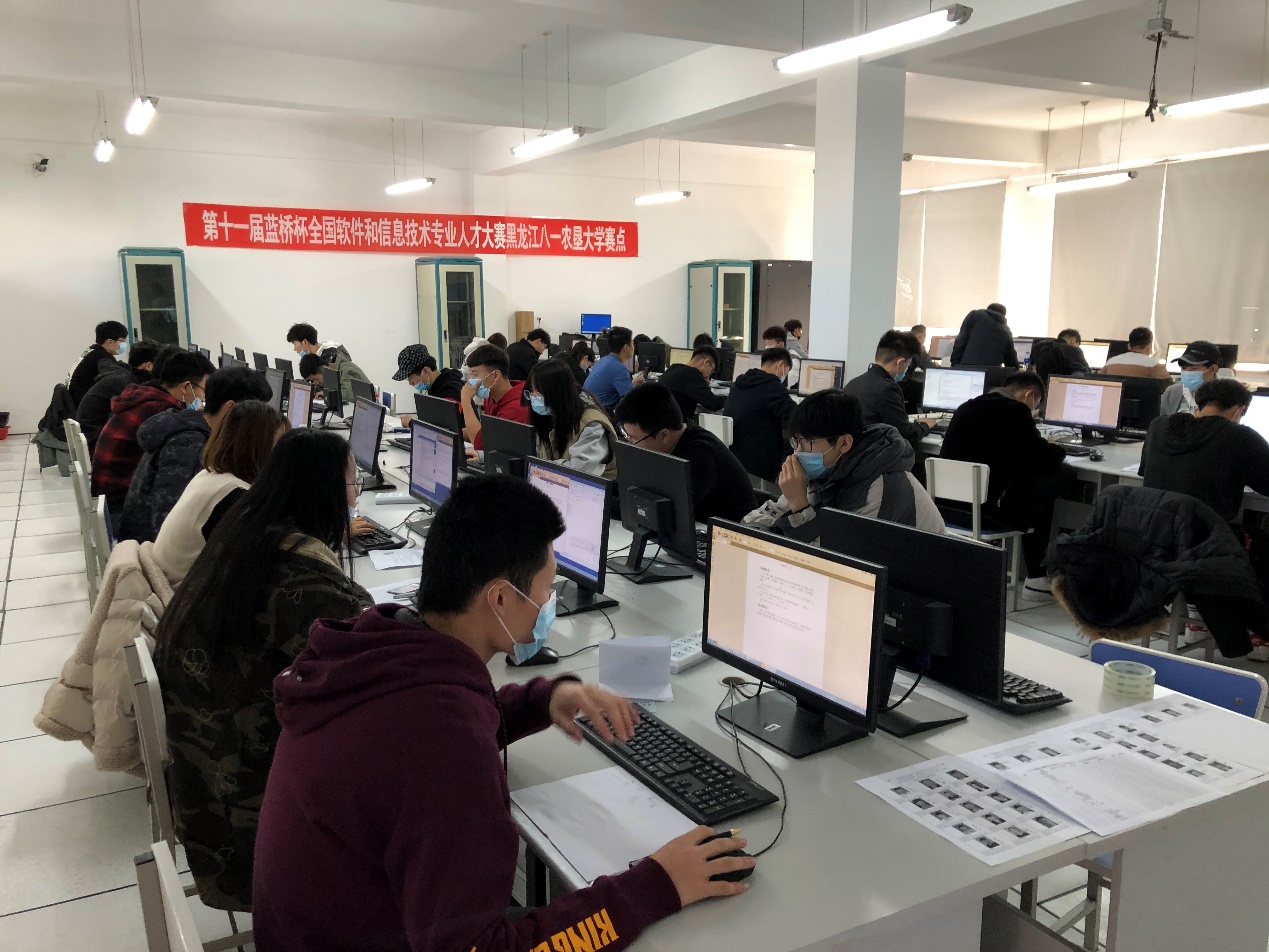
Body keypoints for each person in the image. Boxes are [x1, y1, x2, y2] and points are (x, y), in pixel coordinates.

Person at [252, 475, 751, 950]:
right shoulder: (440, 740)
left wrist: (543, 698)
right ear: (499, 598)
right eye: (545, 589)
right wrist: (656, 885)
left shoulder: (384, 651)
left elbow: (439, 729)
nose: (548, 603)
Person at [155, 429, 374, 912]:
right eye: (351, 484)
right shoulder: (300, 577)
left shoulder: (246, 535)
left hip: (207, 783)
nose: (355, 496)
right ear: (323, 492)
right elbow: (373, 670)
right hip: (248, 816)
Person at [1139, 378, 1269, 660]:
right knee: (1259, 542)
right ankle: (1257, 633)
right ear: (1238, 410)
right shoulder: (1239, 436)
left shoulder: (1159, 426)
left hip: (1153, 542)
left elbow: (1146, 470)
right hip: (1203, 549)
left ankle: (1197, 619)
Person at [939, 371, 1073, 601]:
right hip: (986, 515)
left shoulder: (967, 406)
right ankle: (1036, 575)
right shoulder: (1015, 412)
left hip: (947, 511)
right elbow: (1043, 457)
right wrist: (1056, 447)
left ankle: (1034, 572)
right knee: (1057, 475)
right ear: (1029, 395)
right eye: (1036, 404)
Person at [743, 390, 945, 542]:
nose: (798, 452)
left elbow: (836, 564)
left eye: (807, 442)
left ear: (844, 443)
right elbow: (763, 517)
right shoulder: (829, 467)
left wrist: (800, 507)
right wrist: (751, 535)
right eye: (796, 442)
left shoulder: (880, 489)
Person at [119, 366, 274, 543]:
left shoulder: (190, 425)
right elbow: (166, 523)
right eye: (257, 413)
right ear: (230, 407)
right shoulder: (189, 444)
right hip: (148, 550)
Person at [153, 400, 289, 585]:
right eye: (278, 443)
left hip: (172, 580)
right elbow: (255, 564)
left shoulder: (209, 475)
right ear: (257, 446)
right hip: (181, 593)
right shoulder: (232, 496)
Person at [91, 351, 215, 530]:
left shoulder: (146, 397)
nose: (204, 398)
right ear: (186, 387)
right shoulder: (159, 411)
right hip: (120, 512)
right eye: (204, 390)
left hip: (109, 502)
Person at [615, 384, 758, 522]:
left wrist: (608, 504)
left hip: (727, 534)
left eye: (634, 438)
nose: (630, 443)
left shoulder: (701, 455)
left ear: (663, 435)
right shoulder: (662, 446)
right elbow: (632, 486)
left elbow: (660, 514)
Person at [843, 331, 933, 468]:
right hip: (878, 463)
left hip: (853, 461)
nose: (906, 369)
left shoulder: (853, 383)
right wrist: (925, 425)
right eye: (908, 365)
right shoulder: (887, 389)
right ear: (900, 362)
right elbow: (906, 434)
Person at [525, 358, 619, 479]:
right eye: (531, 391)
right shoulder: (548, 417)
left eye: (537, 391)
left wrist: (539, 468)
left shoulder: (592, 424)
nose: (533, 397)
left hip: (586, 487)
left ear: (556, 392)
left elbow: (580, 471)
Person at [723, 347, 796, 482]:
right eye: (786, 372)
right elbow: (796, 416)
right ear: (780, 365)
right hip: (760, 462)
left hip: (735, 457)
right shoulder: (773, 387)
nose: (784, 377)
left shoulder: (739, 383)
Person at [74, 339, 160, 453]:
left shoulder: (121, 377)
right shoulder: (127, 385)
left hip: (92, 437)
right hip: (98, 444)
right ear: (149, 366)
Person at [462, 343, 530, 451]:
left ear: (495, 375)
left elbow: (481, 445)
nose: (471, 381)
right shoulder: (491, 398)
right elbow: (484, 433)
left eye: (475, 374)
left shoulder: (516, 408)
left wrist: (466, 401)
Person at [68, 320, 130, 407]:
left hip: (75, 403)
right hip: (85, 406)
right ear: (110, 342)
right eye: (122, 341)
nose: (124, 345)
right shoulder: (103, 359)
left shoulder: (92, 352)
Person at [657, 344, 725, 419]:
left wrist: (703, 385)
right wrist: (730, 398)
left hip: (660, 420)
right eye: (711, 371)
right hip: (676, 424)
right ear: (705, 362)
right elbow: (714, 404)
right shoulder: (693, 375)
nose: (709, 375)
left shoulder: (672, 369)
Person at [584, 325, 641, 410]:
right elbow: (631, 399)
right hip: (601, 413)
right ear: (626, 347)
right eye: (632, 343)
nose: (634, 347)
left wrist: (632, 385)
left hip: (589, 410)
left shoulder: (603, 360)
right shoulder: (619, 368)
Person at [1161, 340, 1221, 416]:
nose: (1187, 373)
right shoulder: (1172, 393)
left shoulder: (1228, 394)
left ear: (1213, 369)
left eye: (1193, 369)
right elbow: (1161, 421)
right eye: (1183, 368)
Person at [950, 303, 1020, 369]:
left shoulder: (975, 315)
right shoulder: (1006, 330)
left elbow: (961, 340)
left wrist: (954, 364)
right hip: (991, 372)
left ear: (988, 310)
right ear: (1003, 315)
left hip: (968, 368)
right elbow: (1011, 358)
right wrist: (1017, 368)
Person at [391, 344, 464, 407]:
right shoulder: (435, 386)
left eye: (411, 378)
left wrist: (412, 420)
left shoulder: (450, 392)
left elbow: (447, 418)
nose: (410, 383)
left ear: (426, 371)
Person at [299, 347, 372, 408]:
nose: (316, 383)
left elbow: (348, 395)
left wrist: (327, 394)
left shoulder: (346, 370)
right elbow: (321, 387)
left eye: (316, 379)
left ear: (323, 369)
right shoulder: (331, 373)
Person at [1101, 327, 1171, 380]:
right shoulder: (1154, 364)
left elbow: (1097, 381)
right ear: (1149, 346)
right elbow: (1169, 387)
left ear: (1129, 346)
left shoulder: (1110, 363)